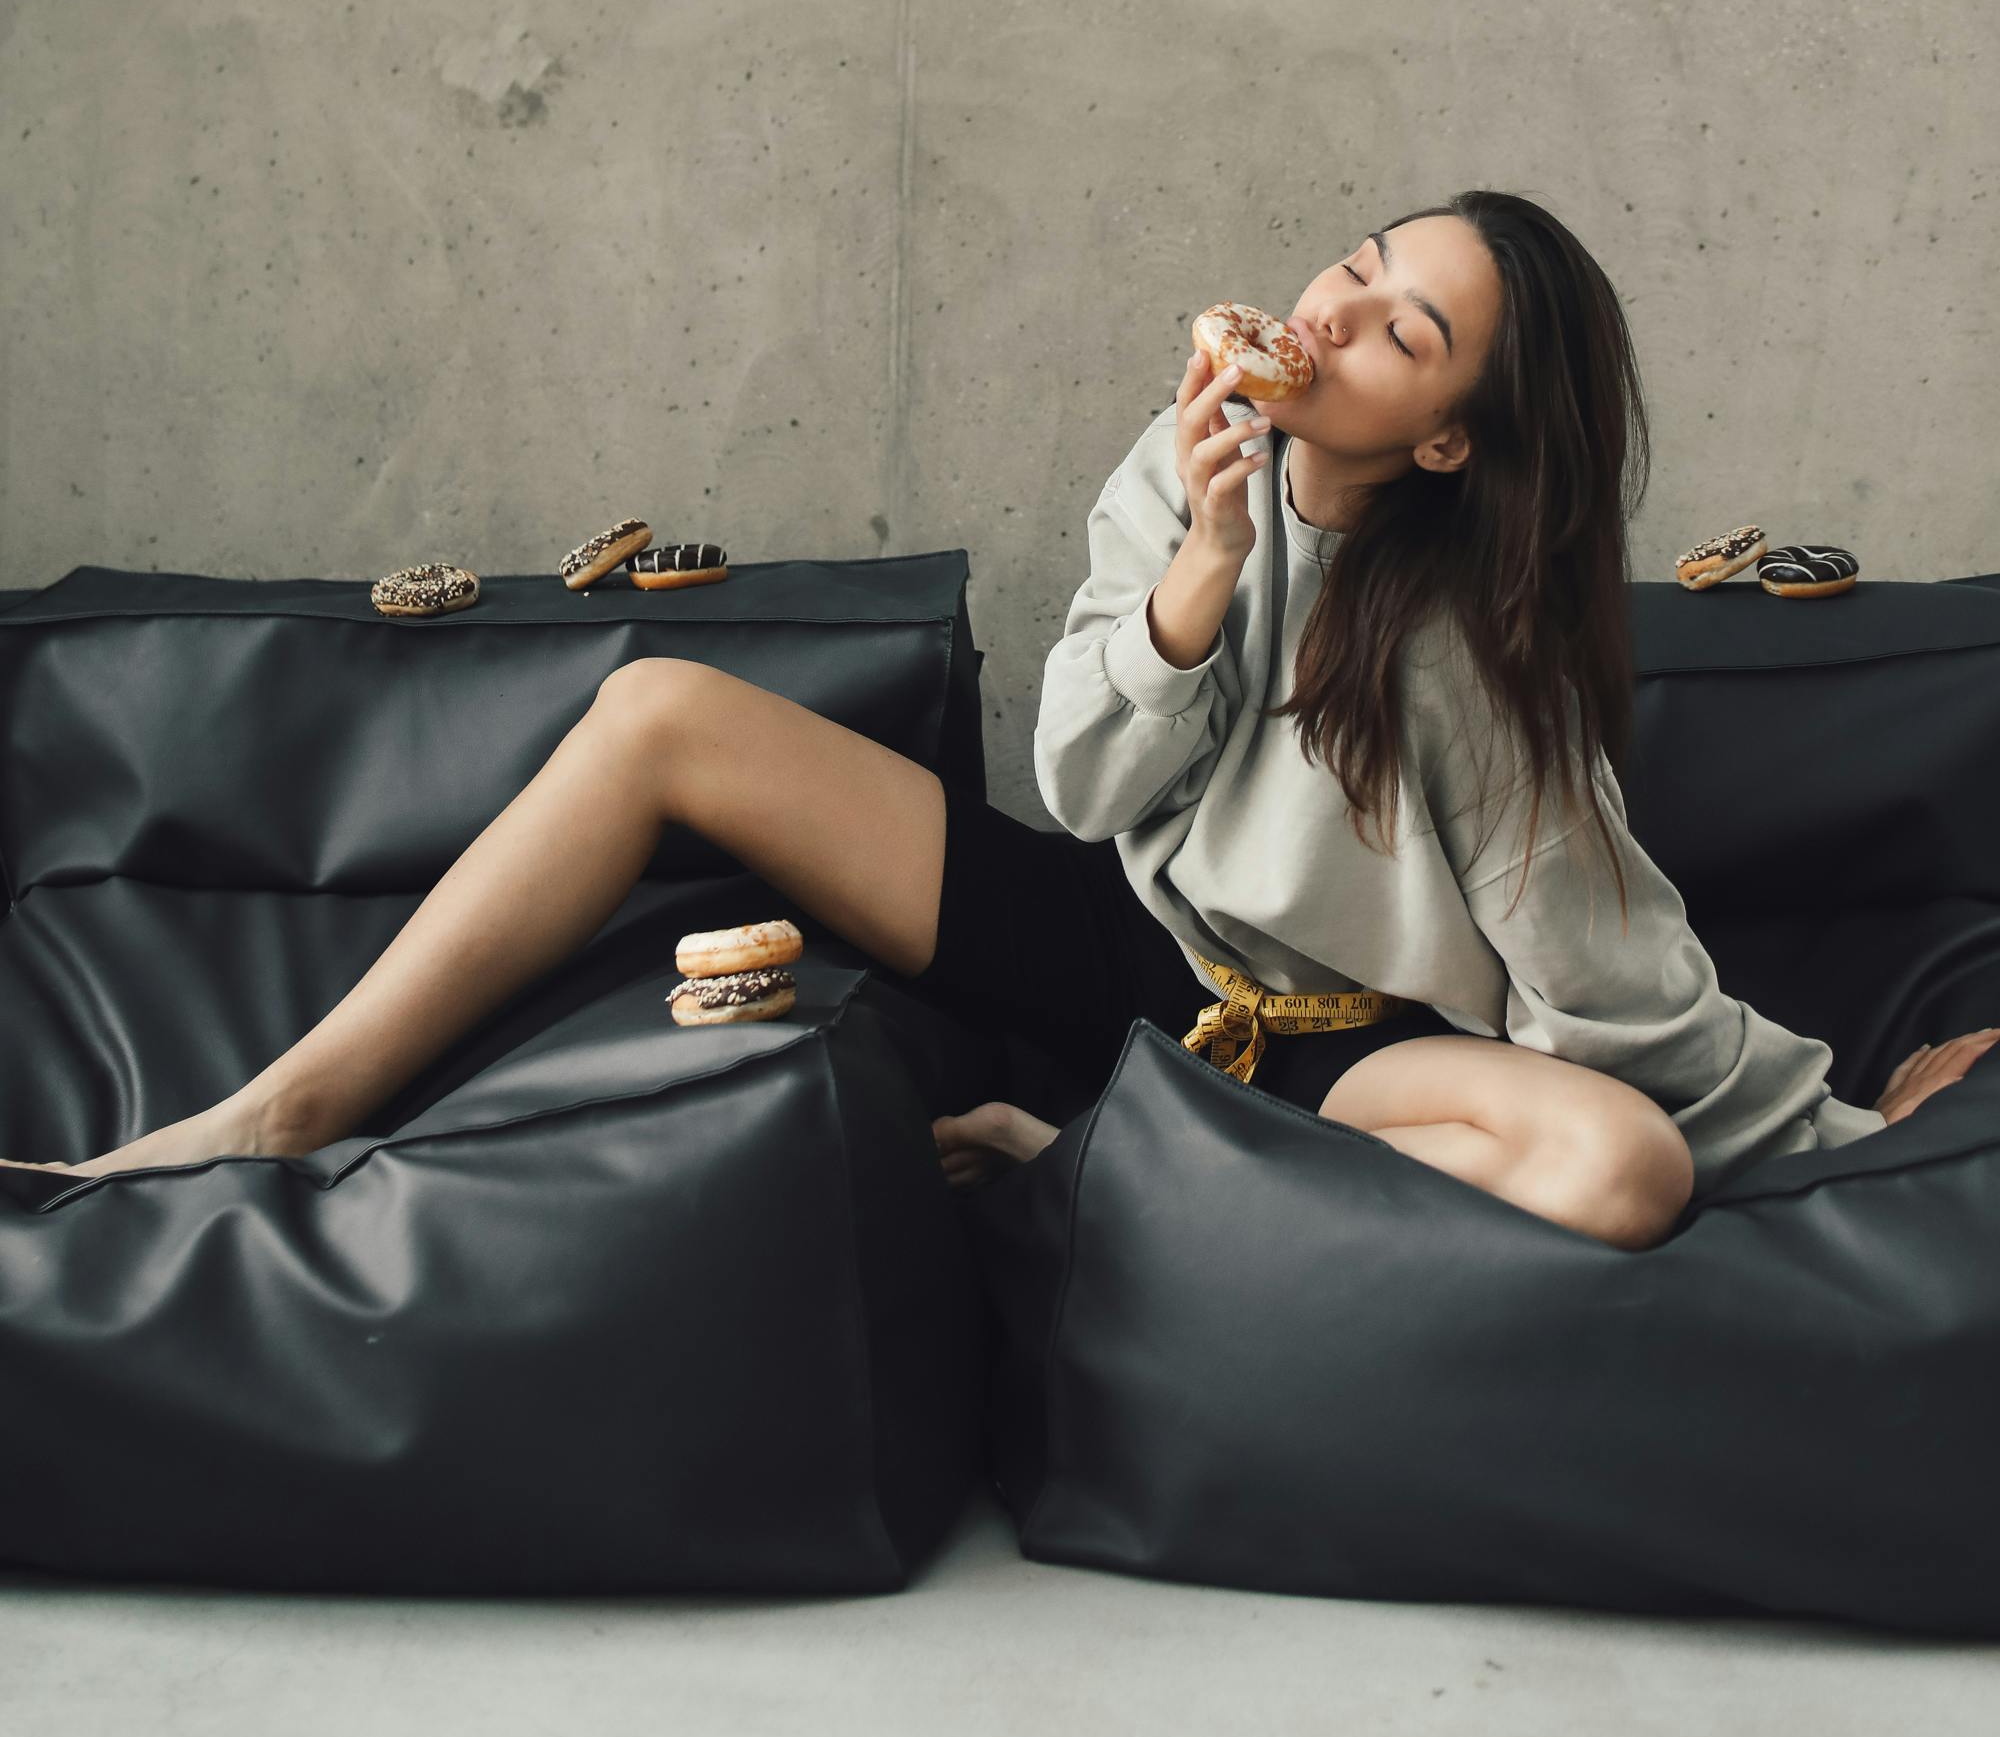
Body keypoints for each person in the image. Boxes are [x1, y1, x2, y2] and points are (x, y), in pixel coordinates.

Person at [7, 193, 1992, 1242]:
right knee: (660, 707)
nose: (1341, 307)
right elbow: (1074, 777)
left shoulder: (1479, 651)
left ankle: (1097, 1180)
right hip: (1123, 947)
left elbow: (1597, 978)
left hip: (1335, 1060)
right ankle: (283, 1108)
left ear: (1453, 430)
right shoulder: (1183, 455)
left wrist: (1810, 1132)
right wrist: (1202, 567)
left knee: (1624, 1175)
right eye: (1361, 264)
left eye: (1404, 328)